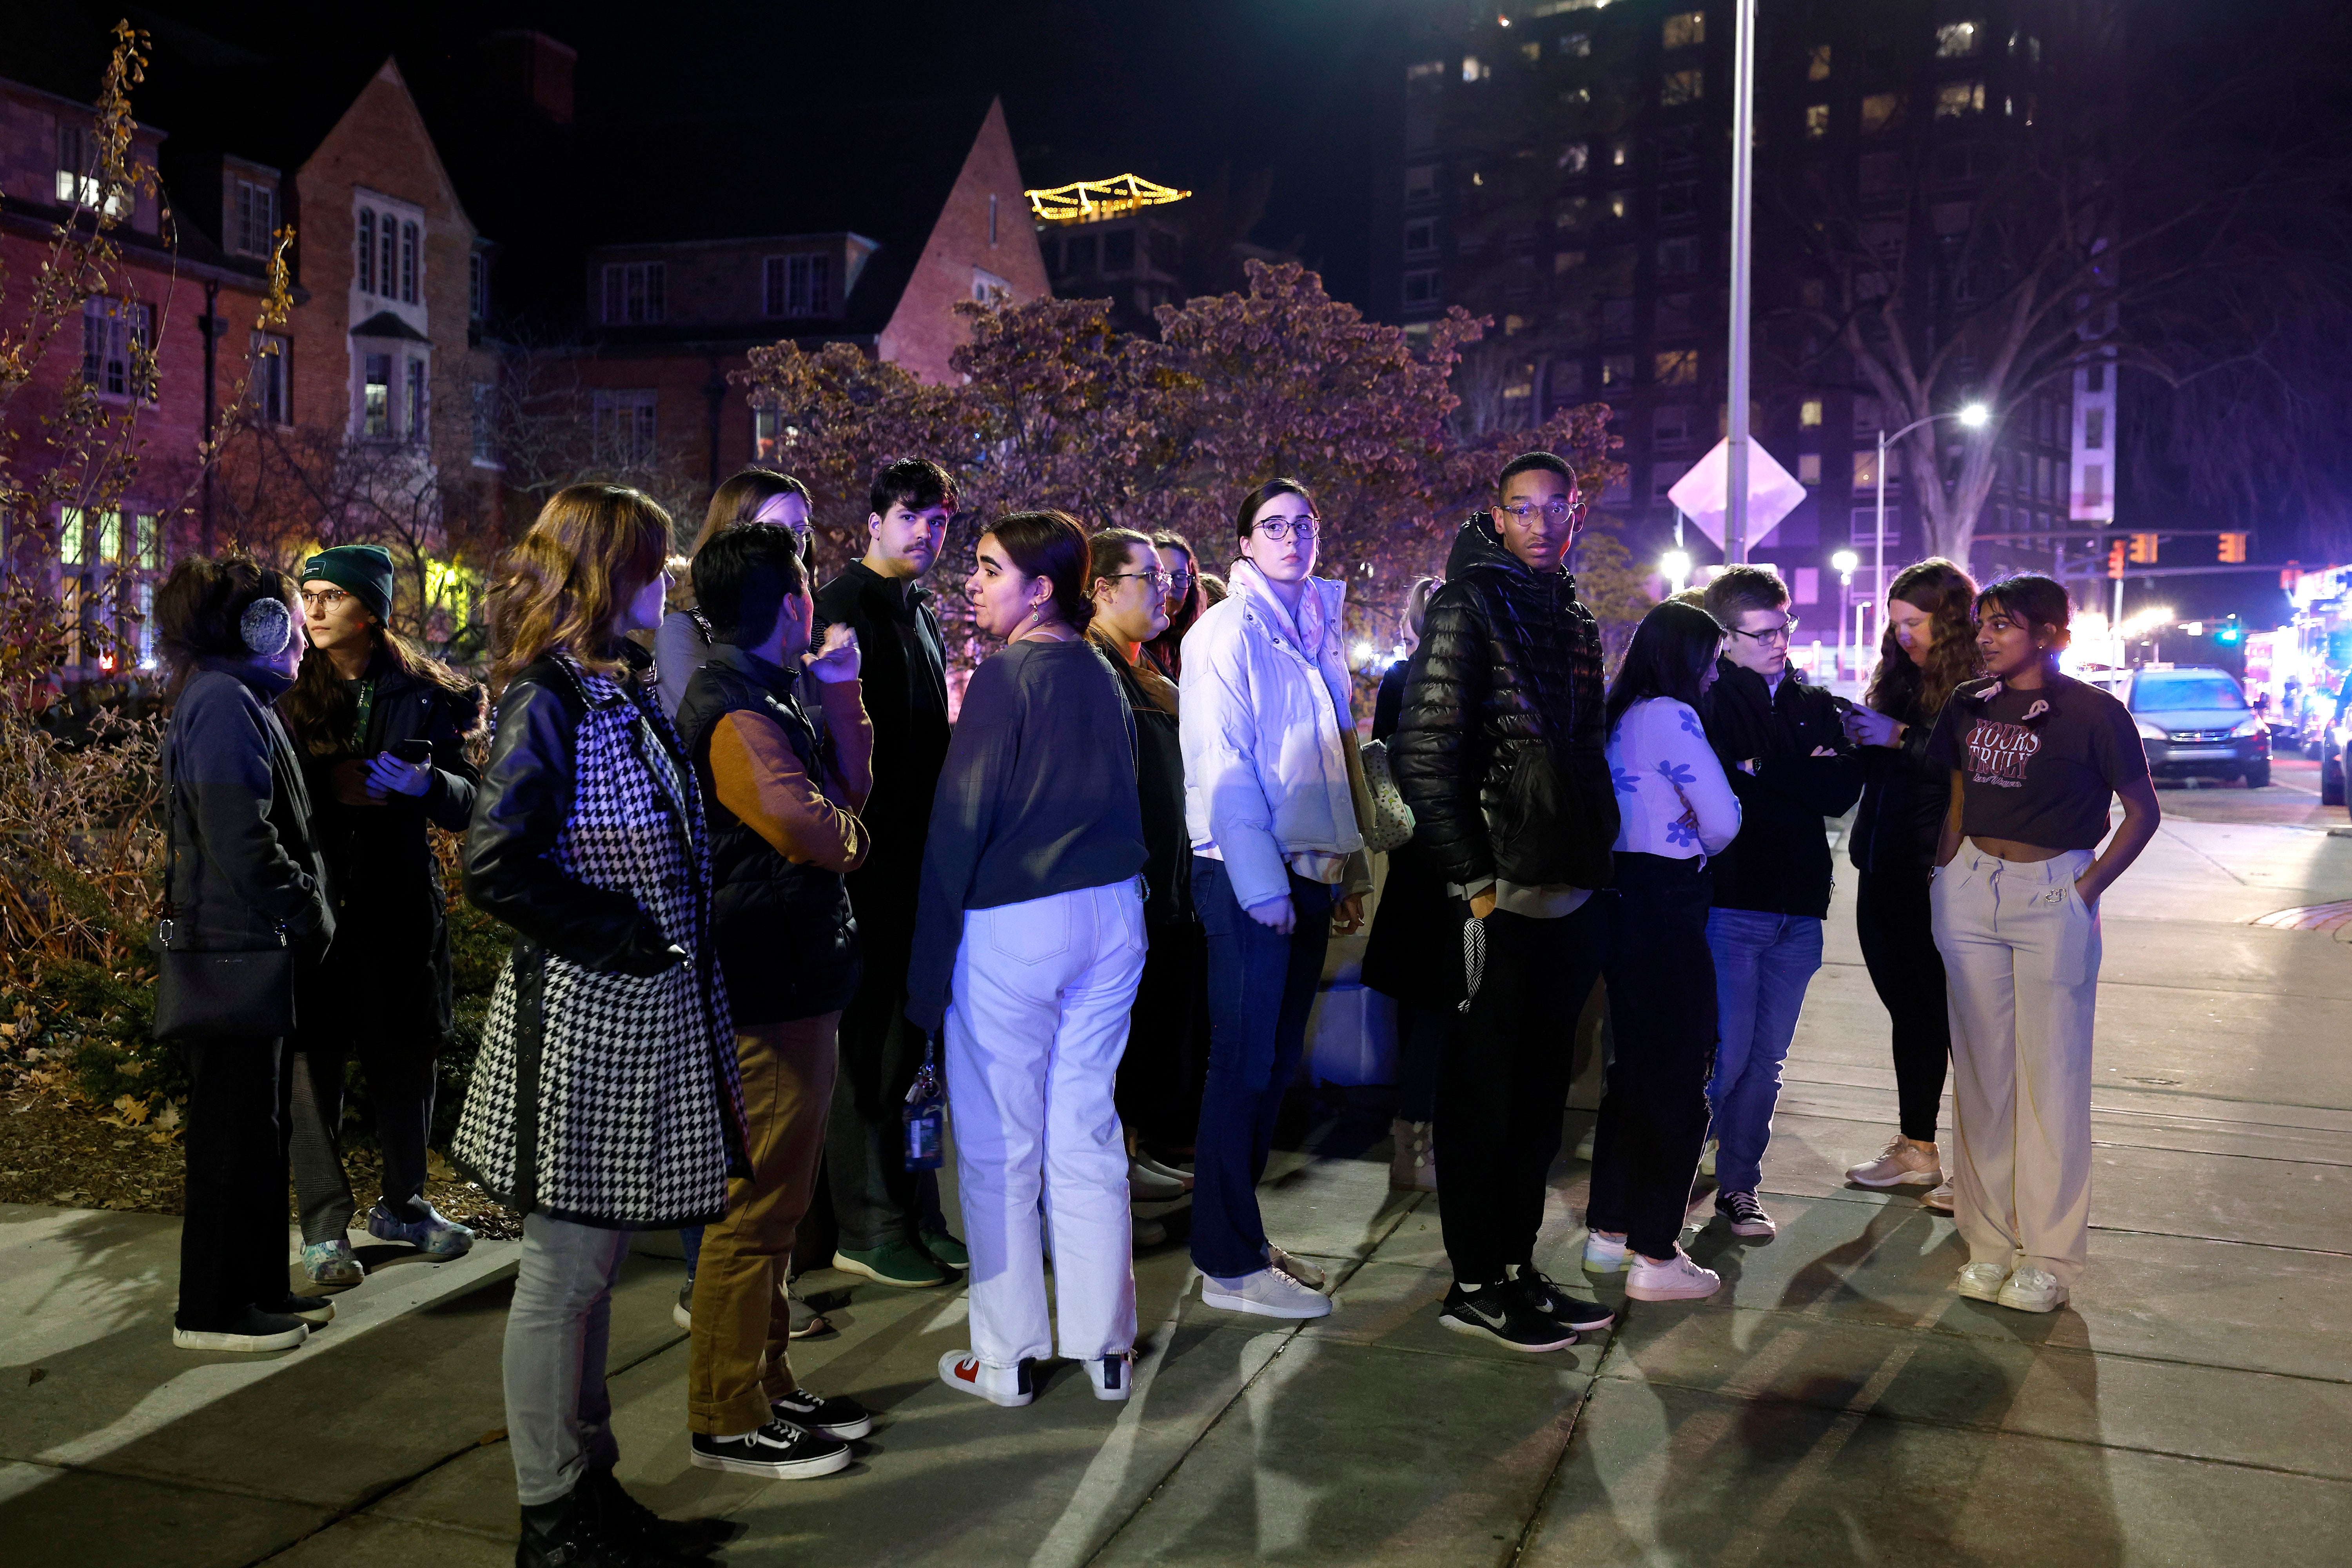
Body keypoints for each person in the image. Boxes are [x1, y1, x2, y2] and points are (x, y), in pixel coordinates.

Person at [455, 483, 748, 1566]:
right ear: (601, 573)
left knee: (586, 1277)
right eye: (651, 566)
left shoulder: (606, 688)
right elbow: (498, 864)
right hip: (588, 1025)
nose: (664, 584)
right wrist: (625, 936)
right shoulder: (553, 698)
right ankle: (553, 1520)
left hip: (634, 1022)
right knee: (564, 1277)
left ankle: (588, 1495)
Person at [909, 511, 1149, 1407]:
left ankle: (1005, 1357)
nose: (973, 582)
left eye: (988, 568)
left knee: (1001, 1144)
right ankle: (1105, 1345)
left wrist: (924, 978)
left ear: (1038, 587)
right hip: (1111, 913)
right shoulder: (1099, 670)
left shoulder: (1009, 675)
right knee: (1086, 1129)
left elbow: (958, 823)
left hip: (1017, 920)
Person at [1392, 454, 1623, 1349]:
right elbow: (1424, 757)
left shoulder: (1571, 614)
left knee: (1536, 1105)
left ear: (1574, 512)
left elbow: (1589, 748)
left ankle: (1518, 1268)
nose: (1535, 522)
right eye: (1518, 509)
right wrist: (1474, 882)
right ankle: (1476, 1280)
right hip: (1495, 898)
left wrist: (1596, 858)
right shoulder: (1469, 604)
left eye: (1551, 507)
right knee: (1483, 1101)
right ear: (1498, 516)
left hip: (1566, 893)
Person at [673, 523, 877, 1478]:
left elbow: (844, 795)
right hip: (768, 979)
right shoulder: (734, 708)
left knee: (779, 1203)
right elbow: (820, 831)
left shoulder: (768, 691)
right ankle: (725, 1410)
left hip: (793, 971)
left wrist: (840, 695)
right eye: (806, 583)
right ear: (789, 601)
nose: (817, 602)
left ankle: (767, 1380)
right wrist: (850, 834)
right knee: (755, 1208)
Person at [1927, 574, 2159, 1314]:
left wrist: (2085, 890)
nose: (1987, 636)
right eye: (1983, 624)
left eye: (2004, 625)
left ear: (2052, 633)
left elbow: (2142, 813)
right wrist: (1945, 870)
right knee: (1982, 1077)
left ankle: (2049, 1256)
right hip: (1969, 888)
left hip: (2053, 892)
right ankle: (1989, 1244)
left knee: (2050, 1074)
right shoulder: (1968, 702)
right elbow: (1959, 792)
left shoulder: (2094, 712)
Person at [1180, 477, 1370, 1322]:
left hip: (1306, 871)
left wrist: (1348, 870)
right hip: (1246, 873)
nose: (1291, 536)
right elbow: (1223, 764)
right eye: (1273, 525)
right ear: (1246, 543)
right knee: (1243, 1066)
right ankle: (1225, 1258)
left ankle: (1243, 1239)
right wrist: (1262, 887)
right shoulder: (1225, 630)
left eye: (1305, 522)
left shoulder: (1316, 626)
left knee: (1267, 1067)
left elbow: (1337, 759)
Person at [278, 543, 483, 1287]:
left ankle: (405, 1204)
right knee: (314, 1065)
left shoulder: (425, 694)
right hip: (316, 906)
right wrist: (329, 788)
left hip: (398, 904)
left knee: (406, 1059)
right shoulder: (287, 689)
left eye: (334, 595)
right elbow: (265, 798)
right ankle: (325, 1229)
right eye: (310, 594)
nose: (317, 608)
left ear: (373, 611)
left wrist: (429, 784)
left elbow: (469, 804)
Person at [154, 555, 337, 1353]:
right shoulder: (227, 704)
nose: (302, 635)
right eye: (290, 618)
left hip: (245, 950)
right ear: (259, 627)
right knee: (233, 1137)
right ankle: (214, 1308)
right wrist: (307, 909)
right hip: (235, 951)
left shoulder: (236, 698)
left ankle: (256, 1286)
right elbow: (241, 839)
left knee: (253, 1131)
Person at [815, 457, 966, 1289]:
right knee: (869, 1045)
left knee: (913, 1045)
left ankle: (915, 1209)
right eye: (910, 516)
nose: (925, 533)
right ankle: (868, 1221)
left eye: (939, 521)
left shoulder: (921, 610)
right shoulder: (843, 606)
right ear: (872, 519)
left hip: (917, 860)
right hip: (865, 861)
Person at [1693, 566, 1864, 1241]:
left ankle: (1739, 1187)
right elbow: (1726, 797)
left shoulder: (1814, 701)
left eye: (1784, 627)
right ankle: (1668, 1176)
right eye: (1762, 633)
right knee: (1727, 1057)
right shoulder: (1710, 703)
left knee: (1766, 1061)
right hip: (1732, 903)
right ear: (1725, 638)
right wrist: (1800, 770)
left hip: (1800, 906)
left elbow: (1840, 791)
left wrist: (1767, 769)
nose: (1779, 642)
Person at [1584, 600, 1740, 1303]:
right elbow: (1724, 819)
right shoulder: (1671, 717)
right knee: (1680, 1074)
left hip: (1619, 899)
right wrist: (1699, 849)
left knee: (1633, 1071)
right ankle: (1657, 1250)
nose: (1715, 675)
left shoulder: (1617, 715)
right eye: (1710, 662)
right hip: (1668, 902)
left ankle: (1610, 1231)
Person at [1841, 559, 1980, 1211]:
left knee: (1961, 1020)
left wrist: (1900, 738)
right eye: (1895, 623)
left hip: (1941, 869)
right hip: (1884, 864)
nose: (1902, 636)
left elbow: (1975, 765)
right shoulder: (1898, 678)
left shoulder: (1980, 682)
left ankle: (1982, 1169)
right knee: (1911, 1011)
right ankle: (1917, 1149)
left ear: (1949, 619)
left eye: (1914, 622)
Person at [1085, 528, 1201, 1226]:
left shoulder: (1144, 667)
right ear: (1101, 588)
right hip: (1131, 888)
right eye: (1148, 576)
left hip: (1167, 883)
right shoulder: (1095, 669)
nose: (1166, 589)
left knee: (1153, 1033)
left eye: (1168, 577)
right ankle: (1114, 1166)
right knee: (1120, 1042)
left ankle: (1131, 1151)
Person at [1362, 575, 1448, 1193]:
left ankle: (1409, 1141)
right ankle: (1422, 1140)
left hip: (1413, 857)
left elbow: (1386, 761)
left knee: (1414, 1007)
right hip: (1456, 862)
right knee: (1448, 1003)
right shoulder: (1470, 684)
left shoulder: (1400, 678)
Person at [655, 468, 814, 719]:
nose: (792, 544)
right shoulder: (687, 630)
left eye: (800, 531)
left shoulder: (811, 624)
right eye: (773, 529)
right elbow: (717, 725)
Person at [1141, 529, 1203, 681]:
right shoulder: (1131, 646)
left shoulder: (1203, 643)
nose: (1169, 586)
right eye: (1160, 576)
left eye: (1180, 577)